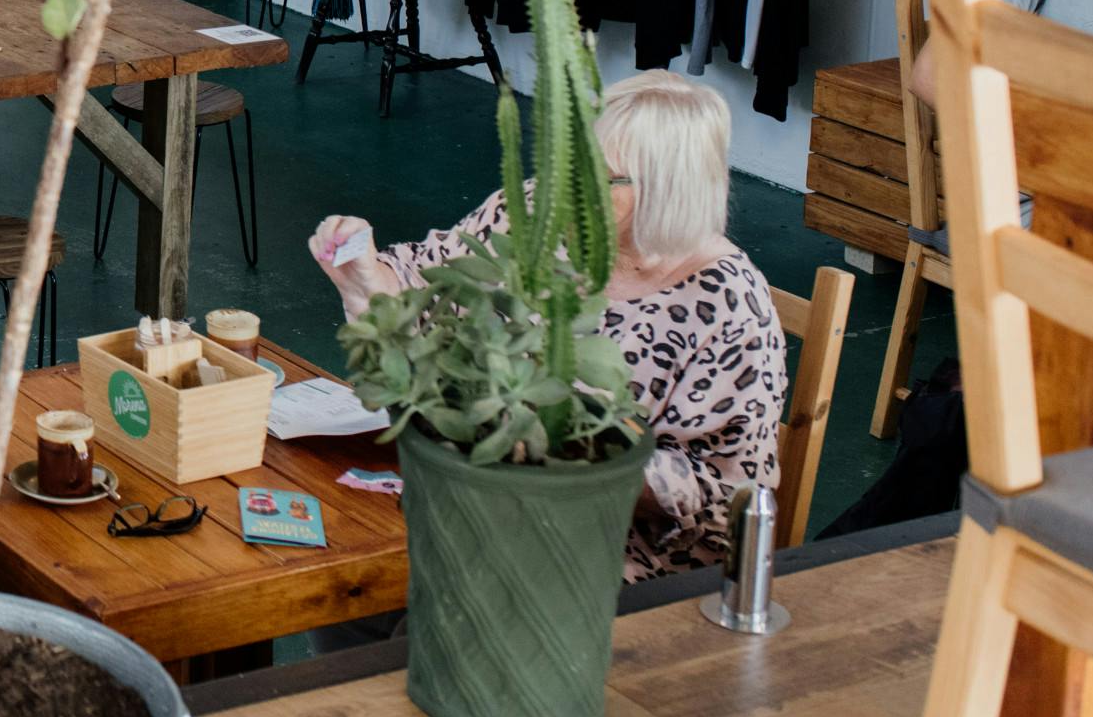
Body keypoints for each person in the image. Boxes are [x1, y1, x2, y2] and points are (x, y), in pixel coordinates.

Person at [311, 69, 784, 581]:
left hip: (616, 553)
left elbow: (723, 494)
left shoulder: (729, 303)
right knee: (336, 556)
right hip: (482, 498)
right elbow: (428, 281)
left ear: (671, 190)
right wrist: (364, 275)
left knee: (405, 596)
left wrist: (564, 456)